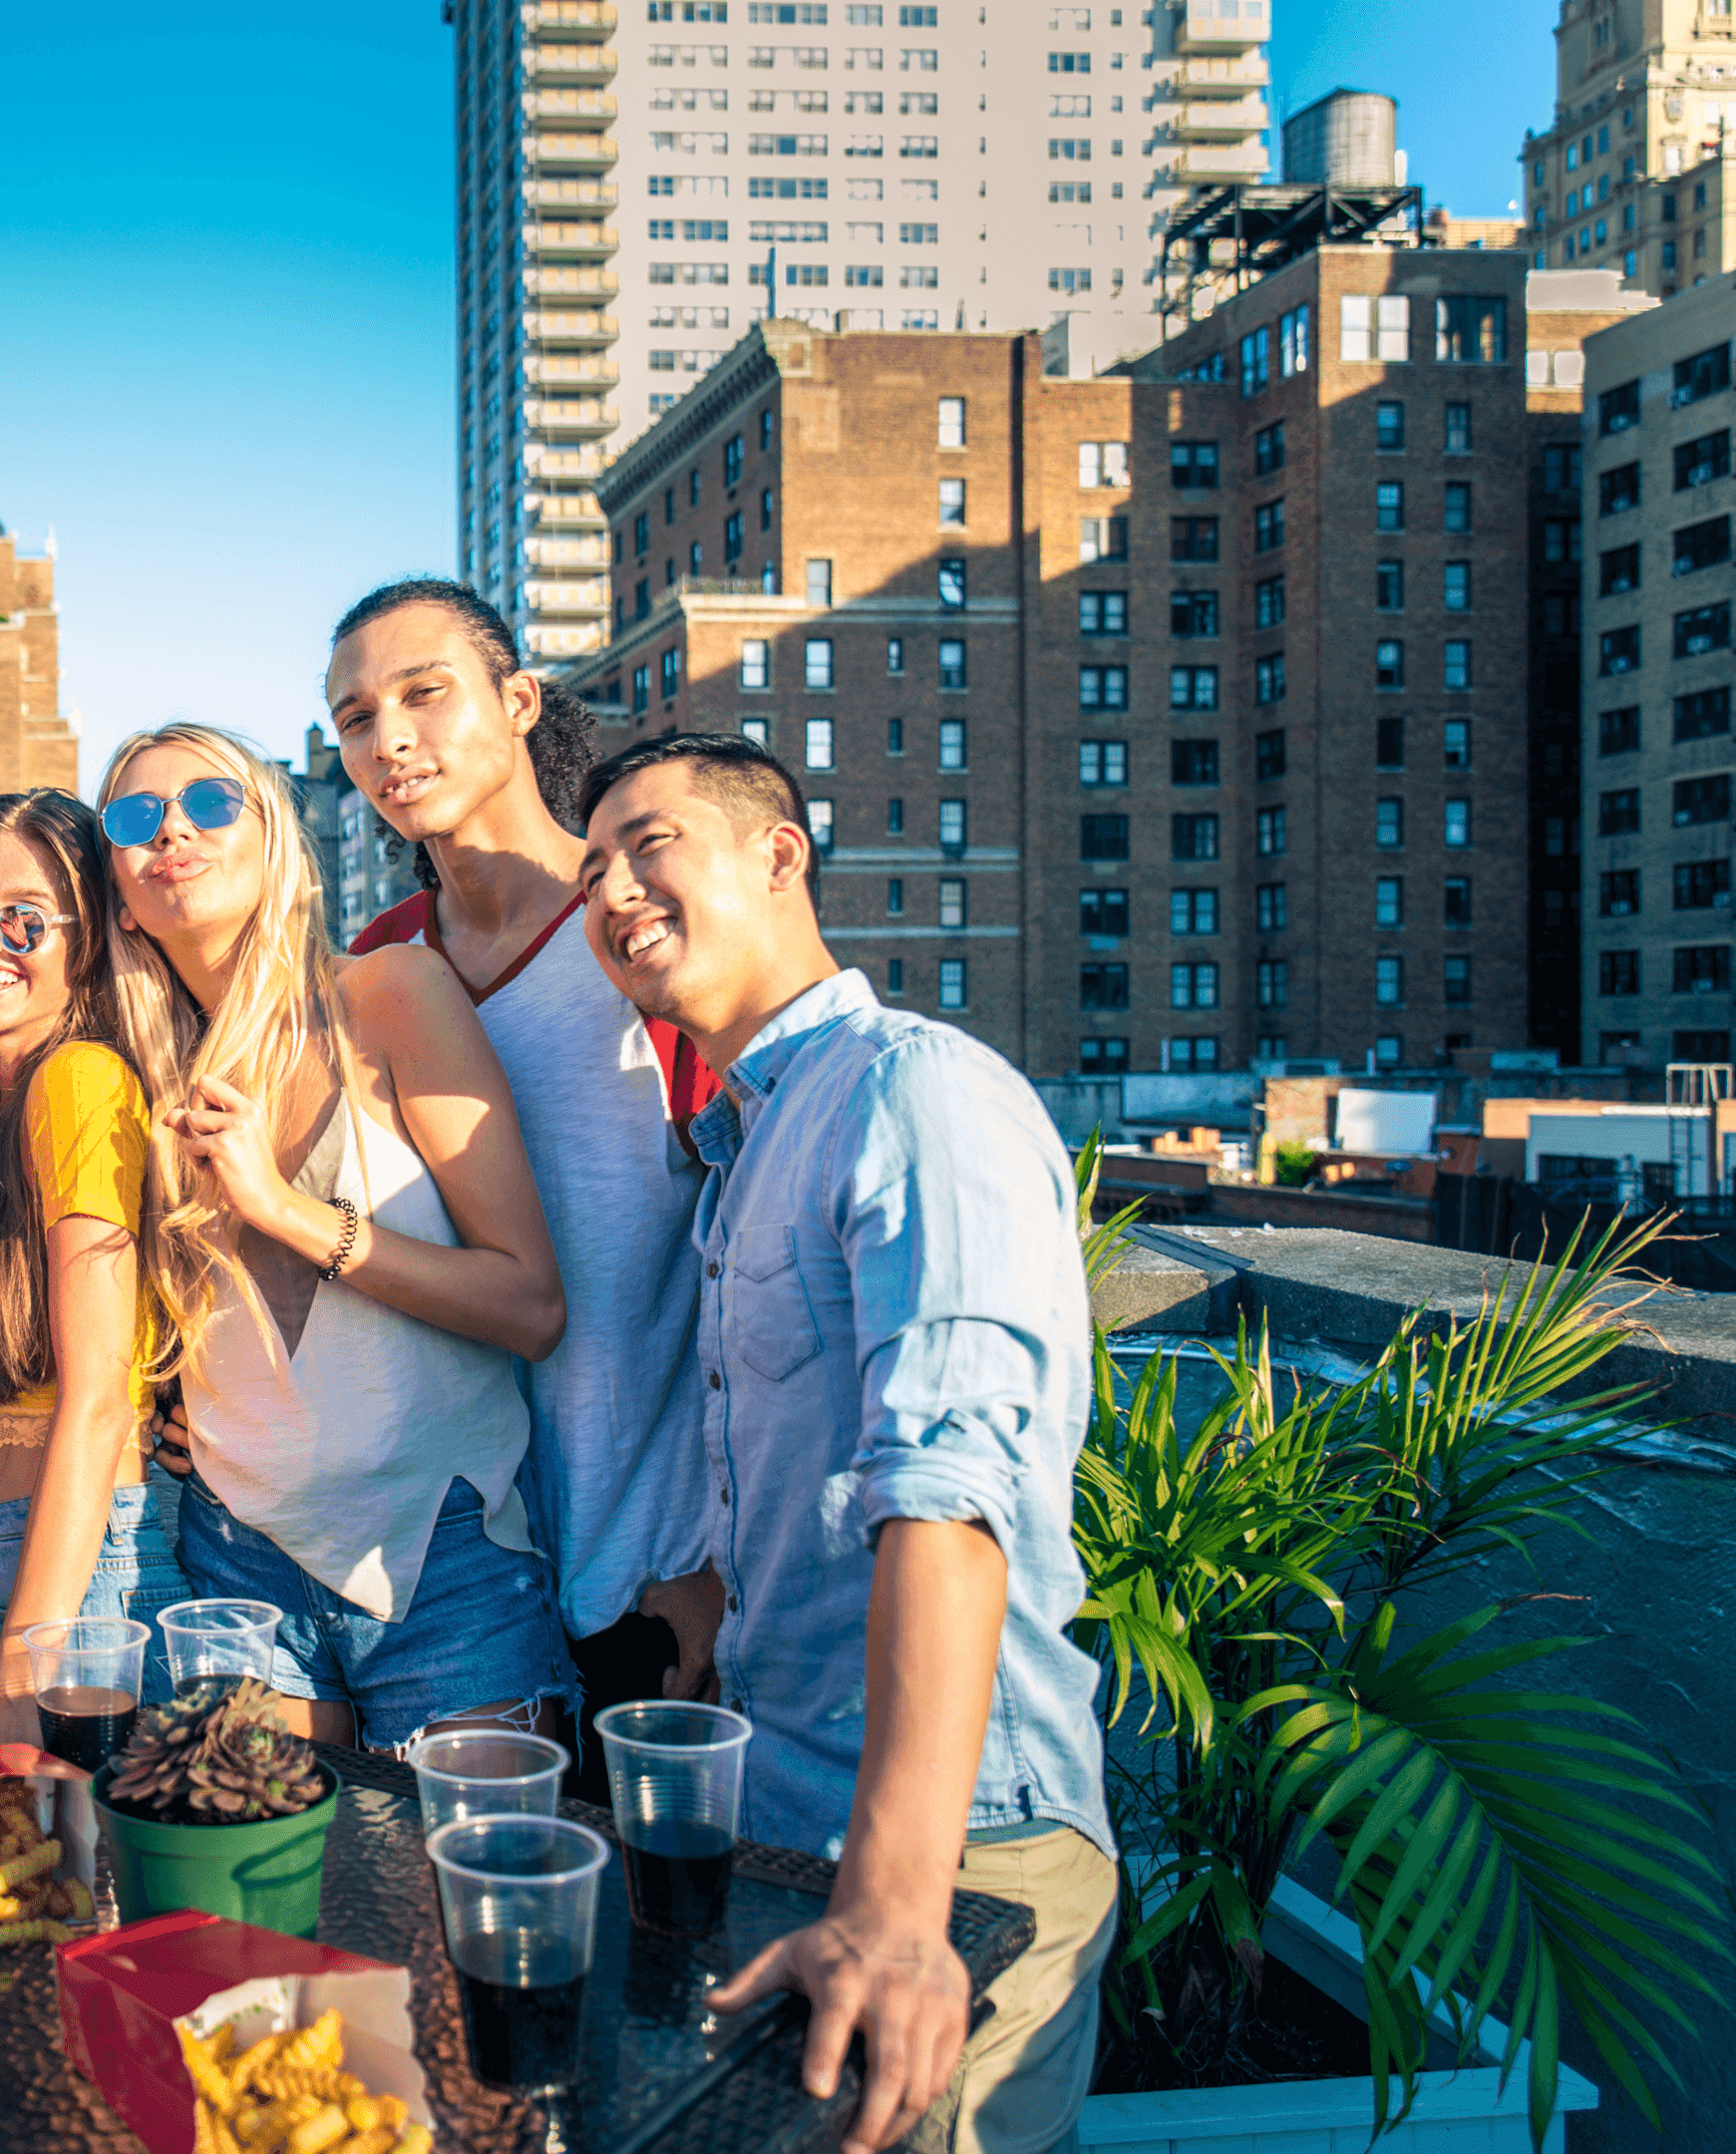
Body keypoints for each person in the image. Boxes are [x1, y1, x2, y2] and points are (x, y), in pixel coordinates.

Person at [573, 730, 1113, 2154]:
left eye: (649, 843)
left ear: (777, 852)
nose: (614, 889)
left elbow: (950, 1495)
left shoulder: (913, 1093)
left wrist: (895, 1903)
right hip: (787, 1826)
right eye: (590, 870)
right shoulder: (749, 1140)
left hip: (951, 1866)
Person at [99, 722, 578, 1752]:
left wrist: (280, 1210)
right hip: (237, 1561)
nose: (171, 827)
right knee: (266, 1900)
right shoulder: (138, 1076)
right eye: (134, 817)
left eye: (210, 802)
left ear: (274, 837)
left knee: (454, 1907)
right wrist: (164, 1398)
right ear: (122, 897)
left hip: (442, 1557)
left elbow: (528, 1306)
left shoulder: (390, 994)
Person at [322, 579, 723, 1797]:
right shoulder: (375, 968)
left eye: (423, 694)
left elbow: (762, 1261)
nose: (386, 740)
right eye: (352, 718)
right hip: (444, 1592)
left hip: (642, 1590)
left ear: (517, 701)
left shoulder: (649, 941)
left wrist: (718, 1561)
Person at [0, 789, 191, 1743]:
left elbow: (97, 1400)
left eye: (25, 918)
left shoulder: (79, 1081)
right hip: (6, 1563)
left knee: (70, 1884)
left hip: (69, 1585)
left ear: (93, 937)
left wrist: (17, 1681)